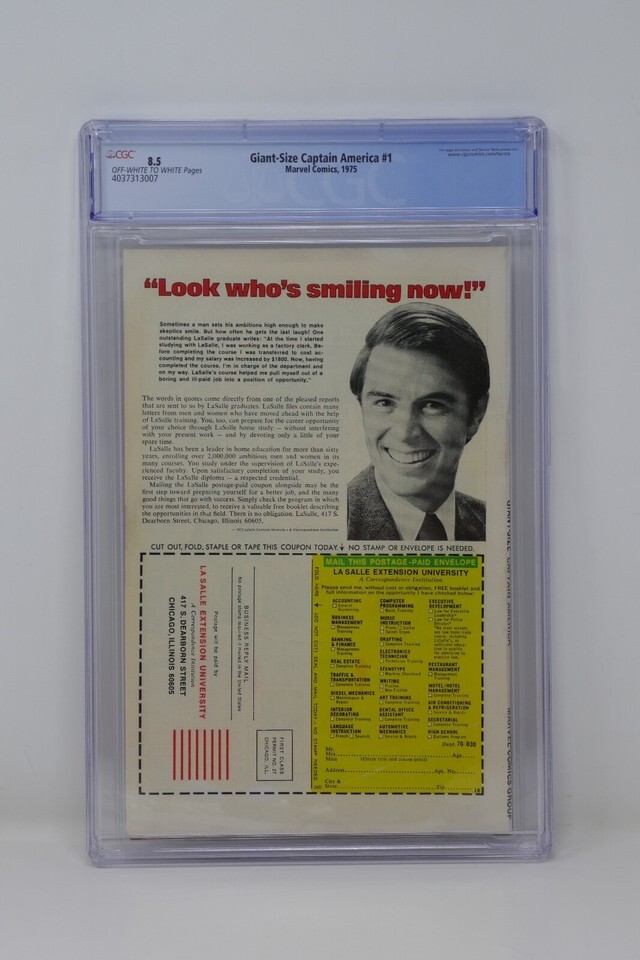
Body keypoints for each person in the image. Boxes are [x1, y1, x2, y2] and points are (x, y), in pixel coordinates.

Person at [347, 303, 489, 541]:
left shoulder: (493, 524)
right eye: (384, 402)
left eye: (432, 405)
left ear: (476, 414)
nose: (404, 433)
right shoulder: (328, 524)